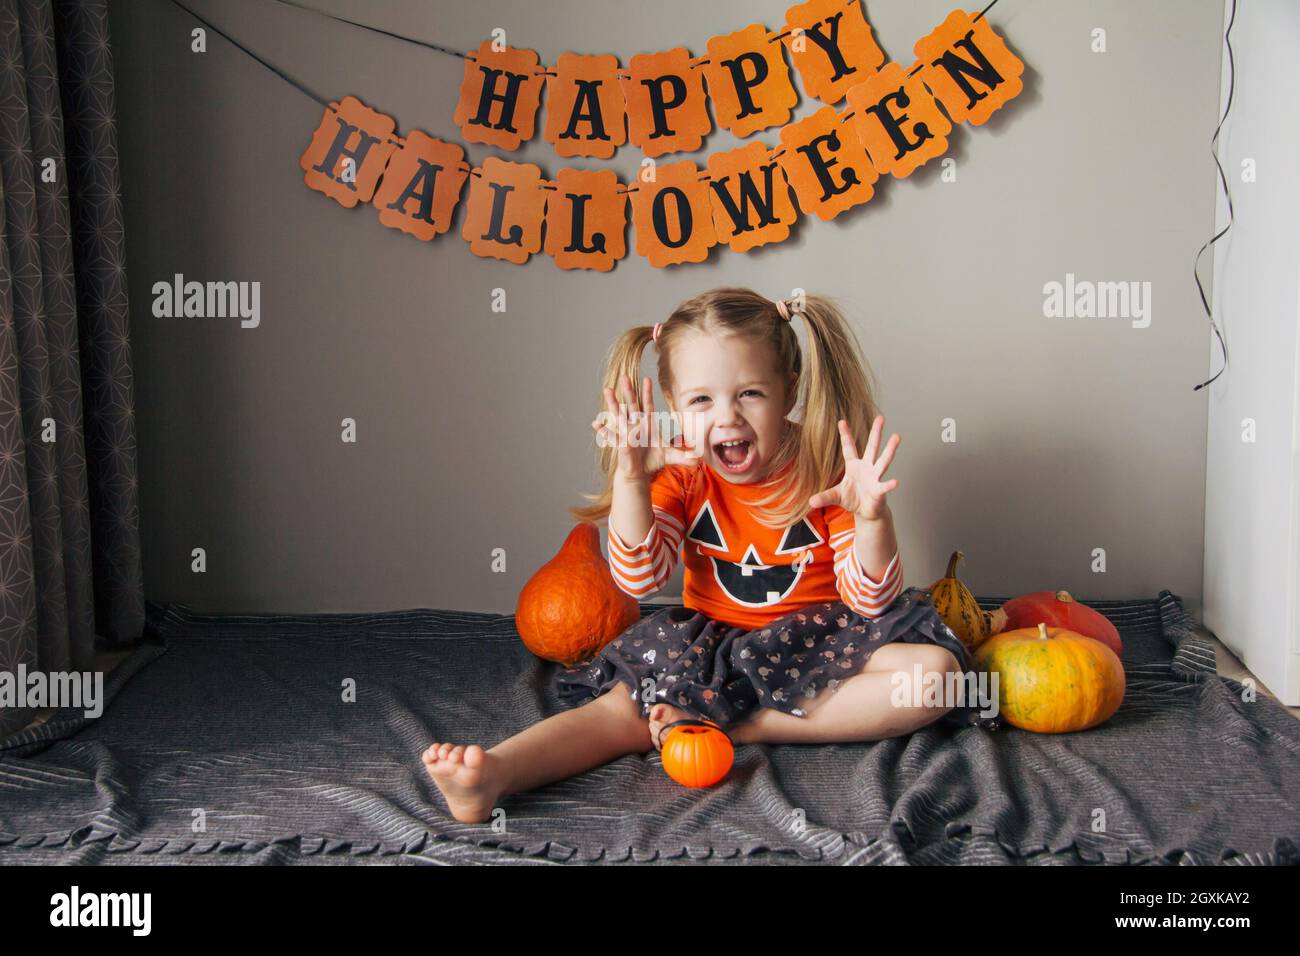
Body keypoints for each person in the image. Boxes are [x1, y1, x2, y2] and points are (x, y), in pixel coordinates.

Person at [423, 287, 988, 824]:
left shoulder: (824, 468)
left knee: (935, 676)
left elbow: (870, 601)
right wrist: (632, 481)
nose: (728, 417)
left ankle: (754, 727)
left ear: (789, 391)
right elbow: (639, 577)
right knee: (618, 714)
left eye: (750, 393)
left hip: (819, 641)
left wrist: (871, 517)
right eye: (701, 399)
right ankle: (496, 775)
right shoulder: (682, 476)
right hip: (710, 644)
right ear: (672, 404)